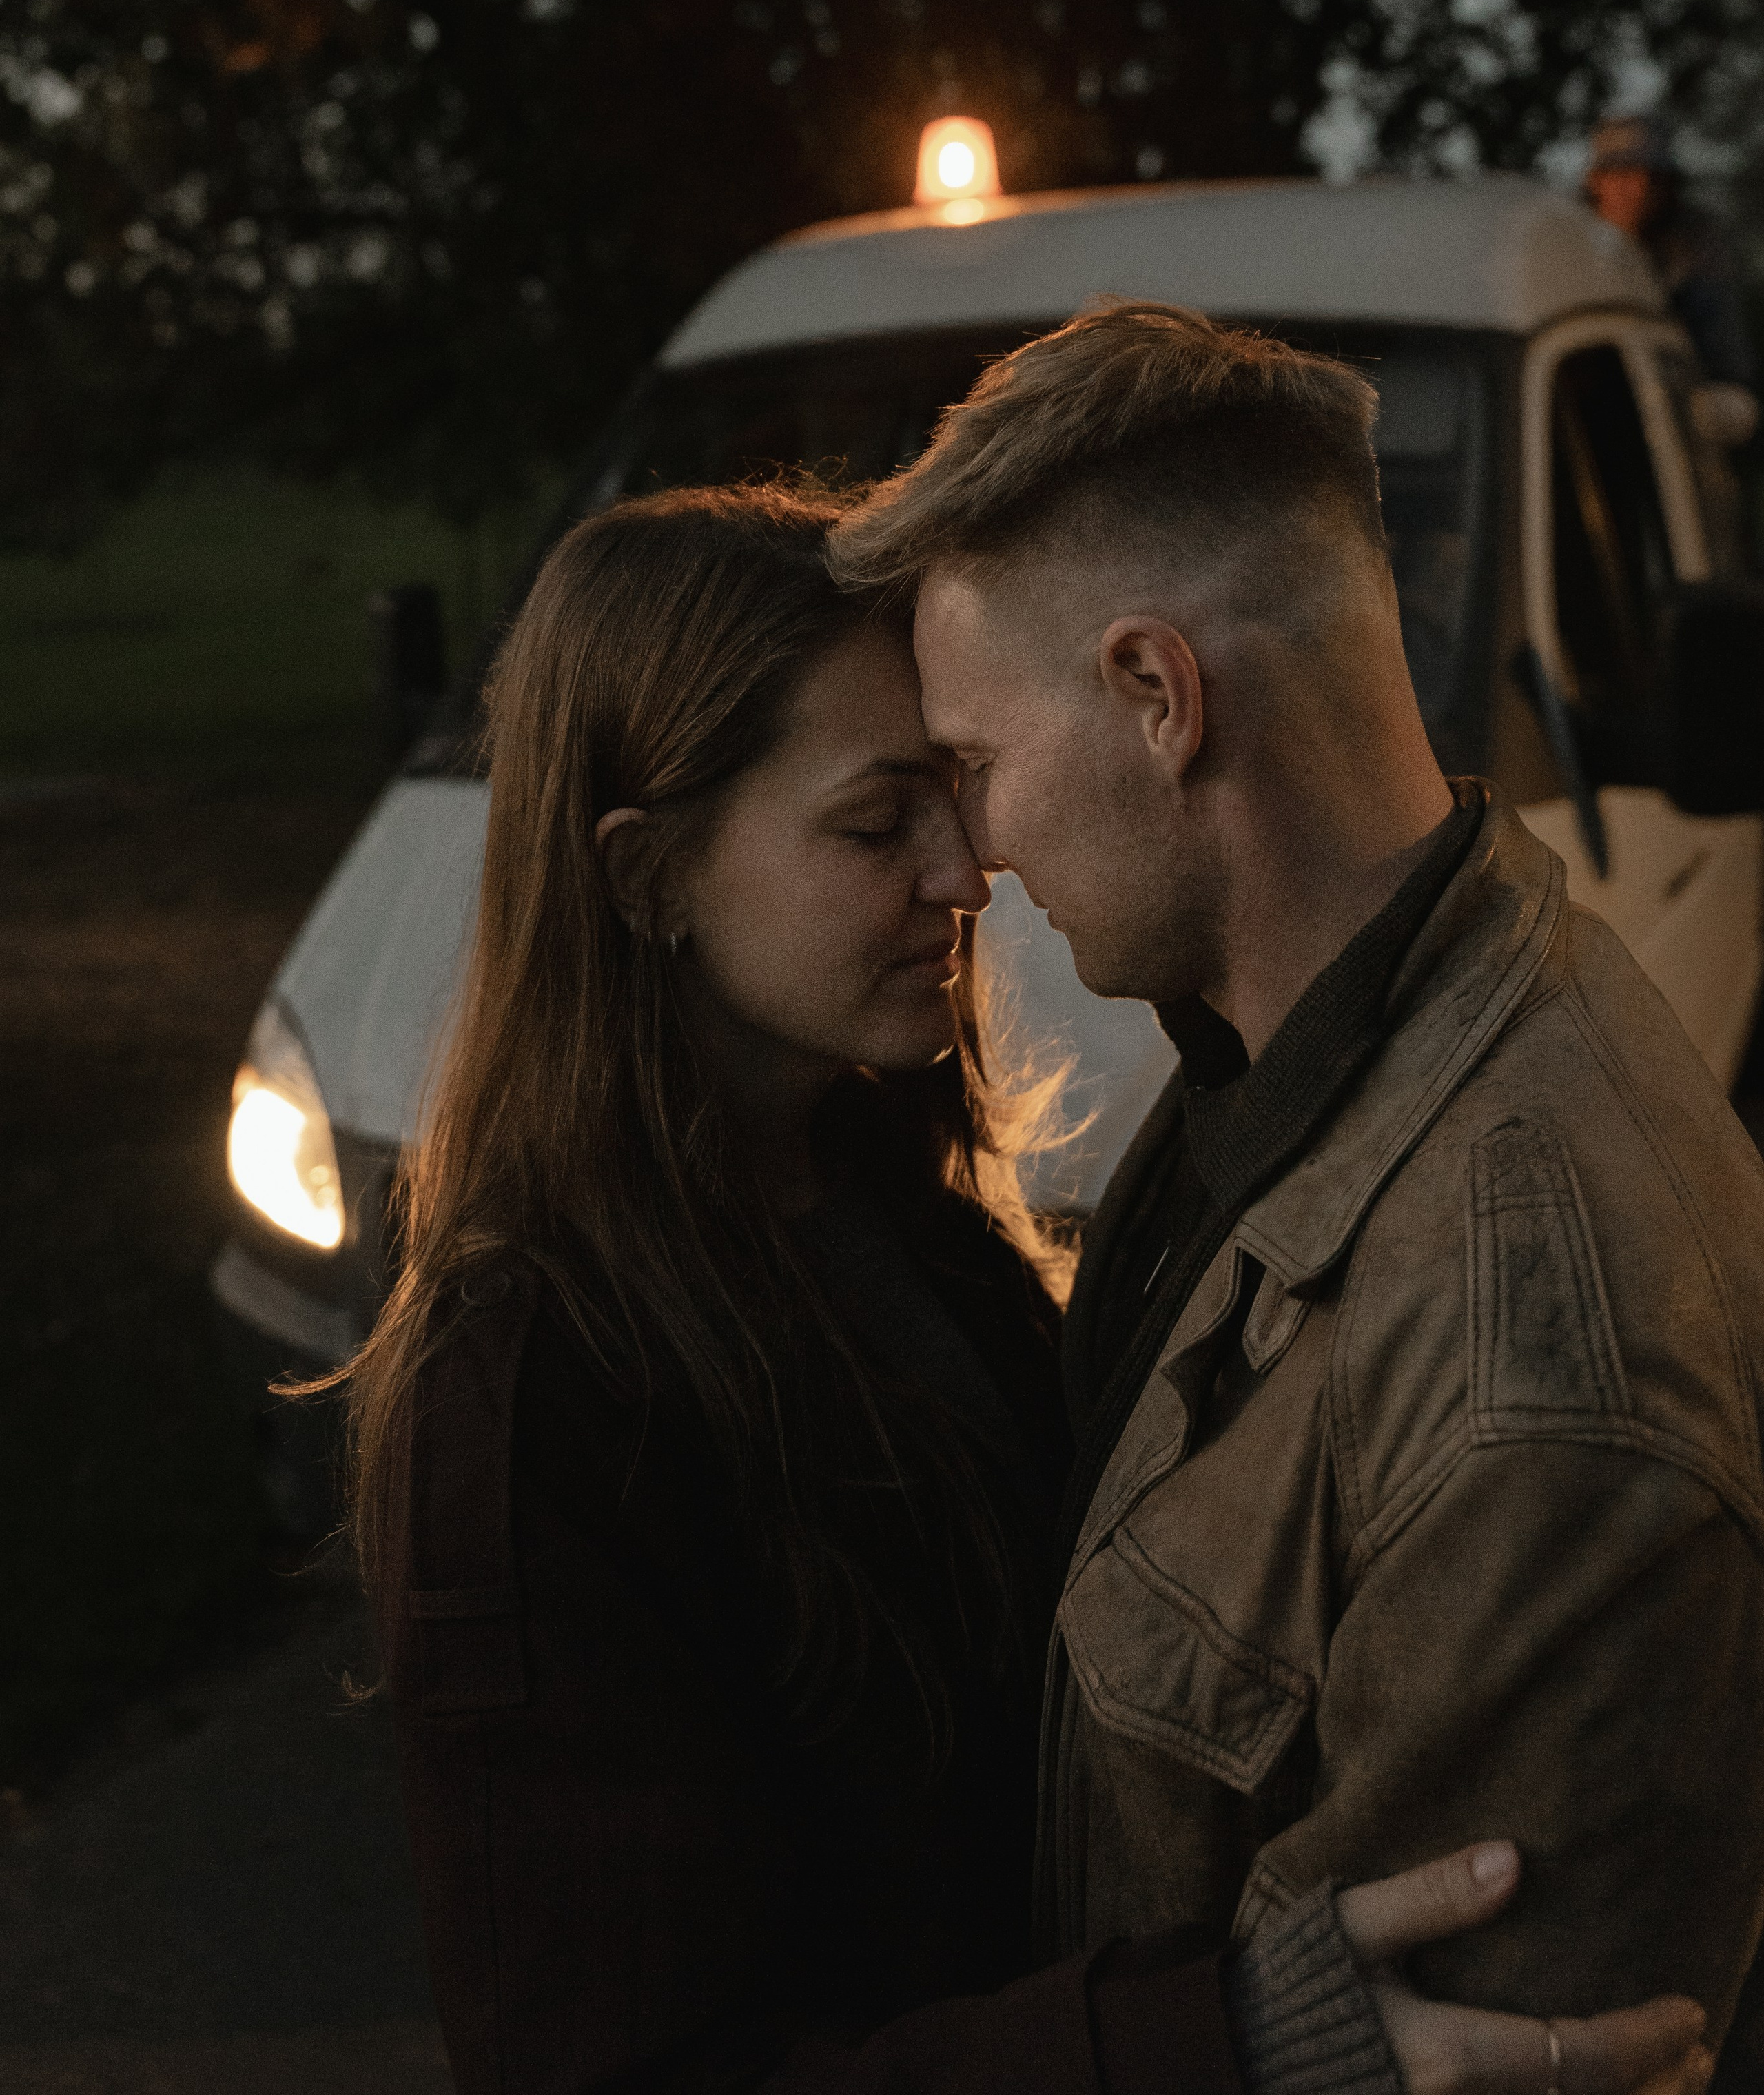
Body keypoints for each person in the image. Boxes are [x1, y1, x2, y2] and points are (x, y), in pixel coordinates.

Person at [345, 483, 1710, 2095]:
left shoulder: (894, 1208)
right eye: (876, 825)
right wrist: (1221, 2040)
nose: (966, 869)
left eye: (953, 788)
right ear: (645, 876)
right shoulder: (533, 1391)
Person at [830, 302, 1764, 2059]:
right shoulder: (1277, 1060)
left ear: (1155, 695)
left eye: (976, 765)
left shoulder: (1530, 1381)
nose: (978, 849)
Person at [1582, 113, 1756, 389]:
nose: (1640, 189)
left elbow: (1724, 353)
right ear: (1596, 181)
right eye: (1623, 173)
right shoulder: (1567, 244)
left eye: (1653, 177)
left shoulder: (1693, 244)